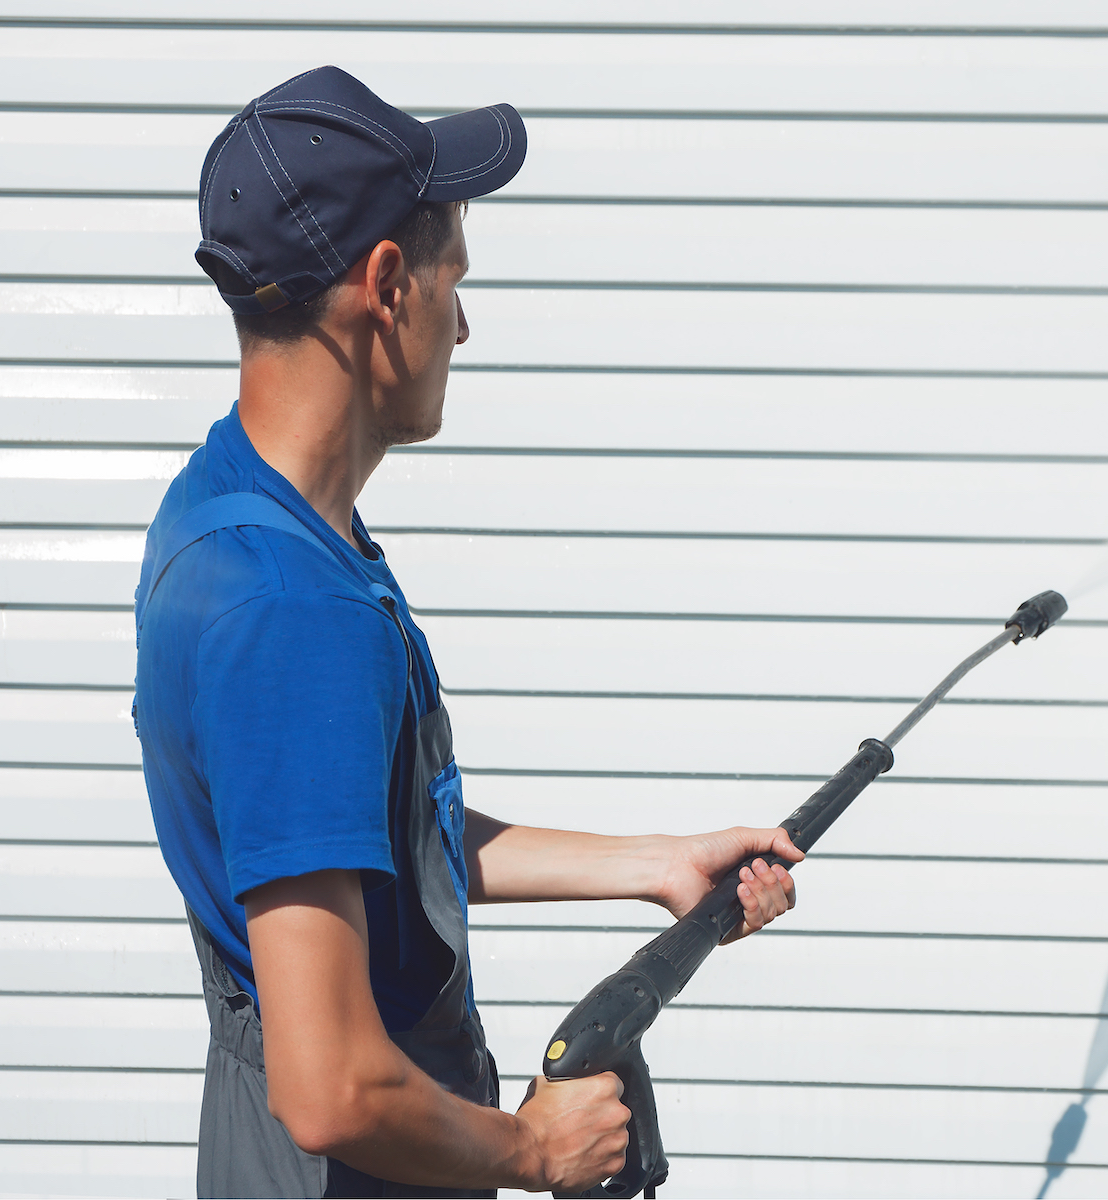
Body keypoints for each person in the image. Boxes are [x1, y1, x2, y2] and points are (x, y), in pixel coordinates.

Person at [131, 66, 804, 1198]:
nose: (467, 325)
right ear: (387, 286)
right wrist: (536, 1148)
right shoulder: (292, 610)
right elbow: (332, 1085)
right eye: (456, 283)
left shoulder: (233, 515)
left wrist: (654, 867)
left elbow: (364, 833)